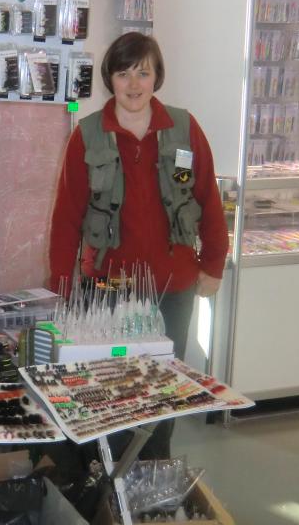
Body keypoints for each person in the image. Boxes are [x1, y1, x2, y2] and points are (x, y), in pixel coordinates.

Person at [48, 31, 229, 459]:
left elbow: (208, 197)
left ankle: (153, 469)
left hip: (173, 285)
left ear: (156, 77)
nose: (133, 84)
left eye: (143, 73)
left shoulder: (184, 128)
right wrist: (60, 286)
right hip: (108, 287)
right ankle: (111, 478)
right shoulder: (87, 135)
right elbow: (67, 217)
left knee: (164, 385)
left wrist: (214, 264)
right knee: (113, 387)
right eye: (123, 73)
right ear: (110, 78)